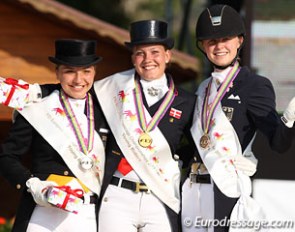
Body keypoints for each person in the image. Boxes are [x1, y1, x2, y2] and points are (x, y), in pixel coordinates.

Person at [181, 4, 295, 232]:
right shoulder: (203, 88)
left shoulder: (254, 85)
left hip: (225, 189)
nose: (219, 46)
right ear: (203, 45)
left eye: (225, 38)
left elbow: (278, 142)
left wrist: (290, 121)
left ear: (239, 41)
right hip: (192, 191)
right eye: (211, 41)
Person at [92, 19, 196, 232]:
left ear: (168, 56)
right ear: (132, 58)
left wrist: (175, 159)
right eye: (140, 53)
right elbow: (74, 92)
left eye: (155, 52)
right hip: (117, 195)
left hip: (160, 195)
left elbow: (197, 145)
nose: (148, 59)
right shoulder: (112, 90)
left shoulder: (187, 101)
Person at [0, 39, 109, 232]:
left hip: (89, 214)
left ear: (94, 72)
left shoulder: (106, 111)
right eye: (69, 71)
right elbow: (7, 157)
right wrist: (31, 183)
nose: (78, 80)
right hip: (42, 212)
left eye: (86, 71)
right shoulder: (37, 106)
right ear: (57, 72)